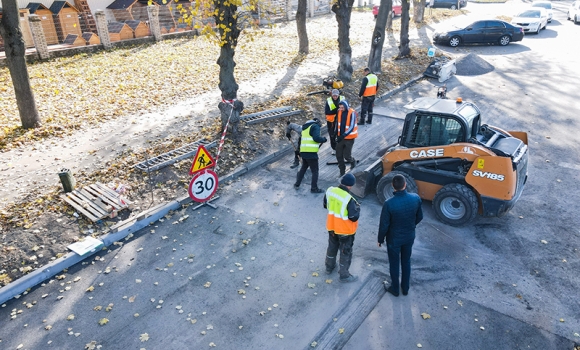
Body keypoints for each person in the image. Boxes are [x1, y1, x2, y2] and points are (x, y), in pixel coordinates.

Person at [377, 174, 423, 297]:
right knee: (406, 261)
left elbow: (384, 225)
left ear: (392, 186)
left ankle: (395, 289)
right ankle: (405, 288)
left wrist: (380, 239)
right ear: (405, 184)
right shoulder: (415, 198)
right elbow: (420, 217)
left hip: (394, 239)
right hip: (409, 236)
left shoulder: (389, 203)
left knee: (394, 263)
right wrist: (411, 226)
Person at [323, 173, 361, 283]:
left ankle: (329, 267)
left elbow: (326, 205)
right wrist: (358, 209)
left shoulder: (330, 191)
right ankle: (344, 275)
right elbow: (353, 217)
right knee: (345, 252)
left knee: (332, 247)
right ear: (350, 186)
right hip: (345, 231)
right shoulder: (349, 199)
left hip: (332, 226)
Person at [294, 118, 327, 193]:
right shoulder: (315, 126)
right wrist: (323, 139)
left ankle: (297, 184)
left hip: (304, 151)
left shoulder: (305, 127)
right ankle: (314, 188)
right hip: (311, 153)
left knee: (303, 168)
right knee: (315, 171)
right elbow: (316, 138)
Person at [334, 100, 358, 177]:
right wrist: (335, 133)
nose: (341, 109)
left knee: (347, 156)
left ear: (346, 106)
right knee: (339, 155)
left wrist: (343, 135)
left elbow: (351, 126)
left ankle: (352, 161)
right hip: (341, 137)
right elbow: (337, 122)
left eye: (342, 107)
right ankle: (342, 171)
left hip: (349, 138)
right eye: (340, 107)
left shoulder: (352, 113)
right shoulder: (339, 111)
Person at [325, 89, 345, 154]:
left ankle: (341, 147)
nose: (335, 97)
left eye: (336, 96)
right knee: (332, 134)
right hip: (331, 121)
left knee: (341, 133)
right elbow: (327, 112)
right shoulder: (328, 101)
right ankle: (334, 148)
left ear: (338, 95)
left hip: (341, 119)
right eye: (334, 96)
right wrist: (336, 110)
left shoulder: (342, 99)